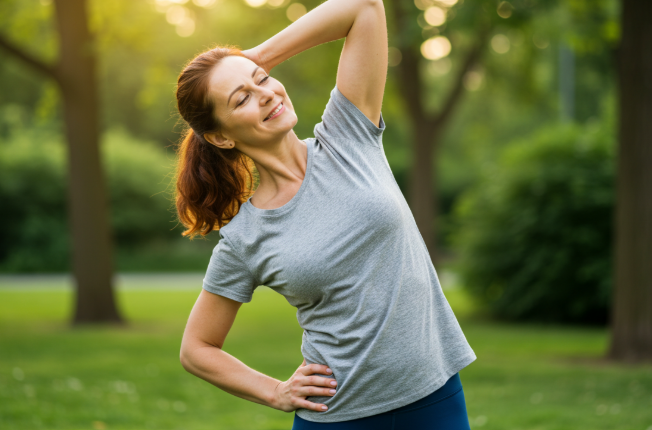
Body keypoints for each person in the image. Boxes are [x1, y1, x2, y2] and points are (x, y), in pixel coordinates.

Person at [175, 0, 476, 428]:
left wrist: (256, 57)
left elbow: (363, 6)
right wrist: (275, 391)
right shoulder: (245, 237)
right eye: (242, 98)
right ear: (221, 137)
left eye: (263, 80)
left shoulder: (347, 136)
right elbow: (196, 349)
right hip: (336, 416)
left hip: (435, 397)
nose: (266, 93)